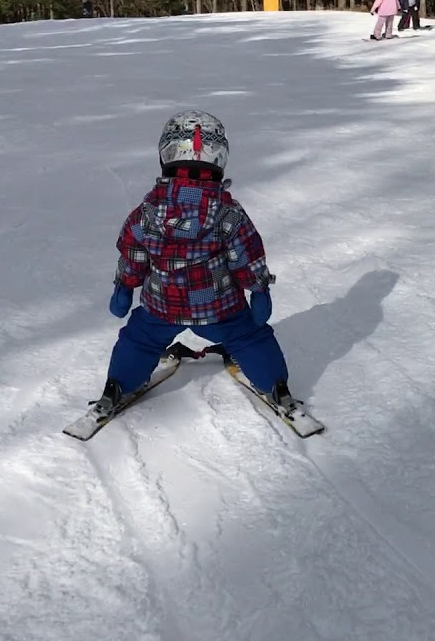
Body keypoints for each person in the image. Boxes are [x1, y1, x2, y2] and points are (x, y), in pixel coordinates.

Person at [91, 109, 296, 414]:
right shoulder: (228, 214)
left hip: (161, 307)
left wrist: (124, 287)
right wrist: (259, 290)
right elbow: (246, 255)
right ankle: (274, 385)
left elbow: (134, 254)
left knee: (139, 338)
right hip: (219, 310)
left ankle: (119, 384)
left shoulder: (146, 212)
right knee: (249, 336)